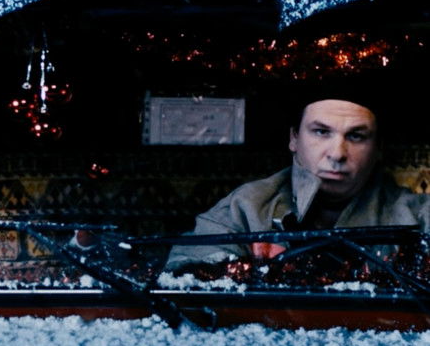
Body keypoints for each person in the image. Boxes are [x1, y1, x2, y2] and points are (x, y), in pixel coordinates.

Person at [165, 87, 430, 271]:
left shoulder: (418, 217)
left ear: (378, 149)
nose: (337, 153)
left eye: (356, 136)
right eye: (321, 132)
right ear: (294, 138)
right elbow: (185, 274)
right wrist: (245, 270)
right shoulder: (245, 208)